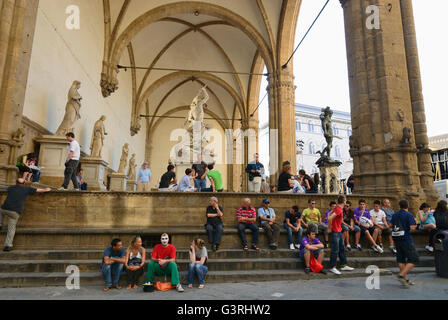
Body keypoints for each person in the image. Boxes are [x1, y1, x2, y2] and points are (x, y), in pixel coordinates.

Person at [0, 178, 51, 251]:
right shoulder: (27, 189)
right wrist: (46, 189)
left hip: (5, 209)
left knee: (1, 210)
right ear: (24, 184)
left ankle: (0, 224)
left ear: (16, 183)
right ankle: (8, 246)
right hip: (15, 212)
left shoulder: (11, 188)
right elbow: (38, 190)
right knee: (11, 229)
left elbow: (7, 188)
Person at [391, 199, 419, 287]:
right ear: (408, 205)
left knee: (401, 259)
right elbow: (412, 227)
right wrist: (416, 222)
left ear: (399, 205)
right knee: (414, 259)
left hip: (397, 239)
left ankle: (405, 279)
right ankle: (401, 275)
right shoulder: (409, 215)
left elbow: (391, 225)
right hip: (406, 239)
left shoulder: (395, 215)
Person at [327, 195, 355, 275]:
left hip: (338, 231)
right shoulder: (339, 209)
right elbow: (329, 218)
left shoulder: (337, 208)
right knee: (335, 250)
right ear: (344, 201)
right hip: (335, 231)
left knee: (342, 248)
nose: (346, 202)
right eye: (345, 200)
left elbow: (329, 214)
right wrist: (329, 228)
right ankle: (332, 267)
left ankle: (343, 265)